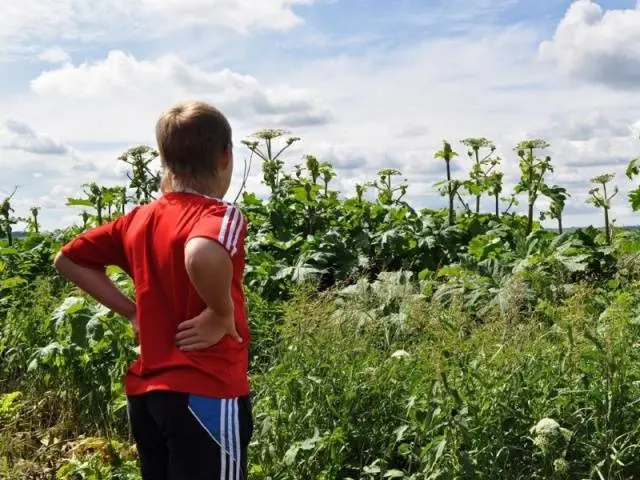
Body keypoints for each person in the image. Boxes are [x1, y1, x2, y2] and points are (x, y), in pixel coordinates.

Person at [53, 100, 253, 480]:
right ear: (226, 157)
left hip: (148, 395)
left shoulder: (138, 220)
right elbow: (201, 251)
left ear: (164, 161)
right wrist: (220, 314)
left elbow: (68, 260)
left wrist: (131, 310)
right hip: (206, 390)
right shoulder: (219, 214)